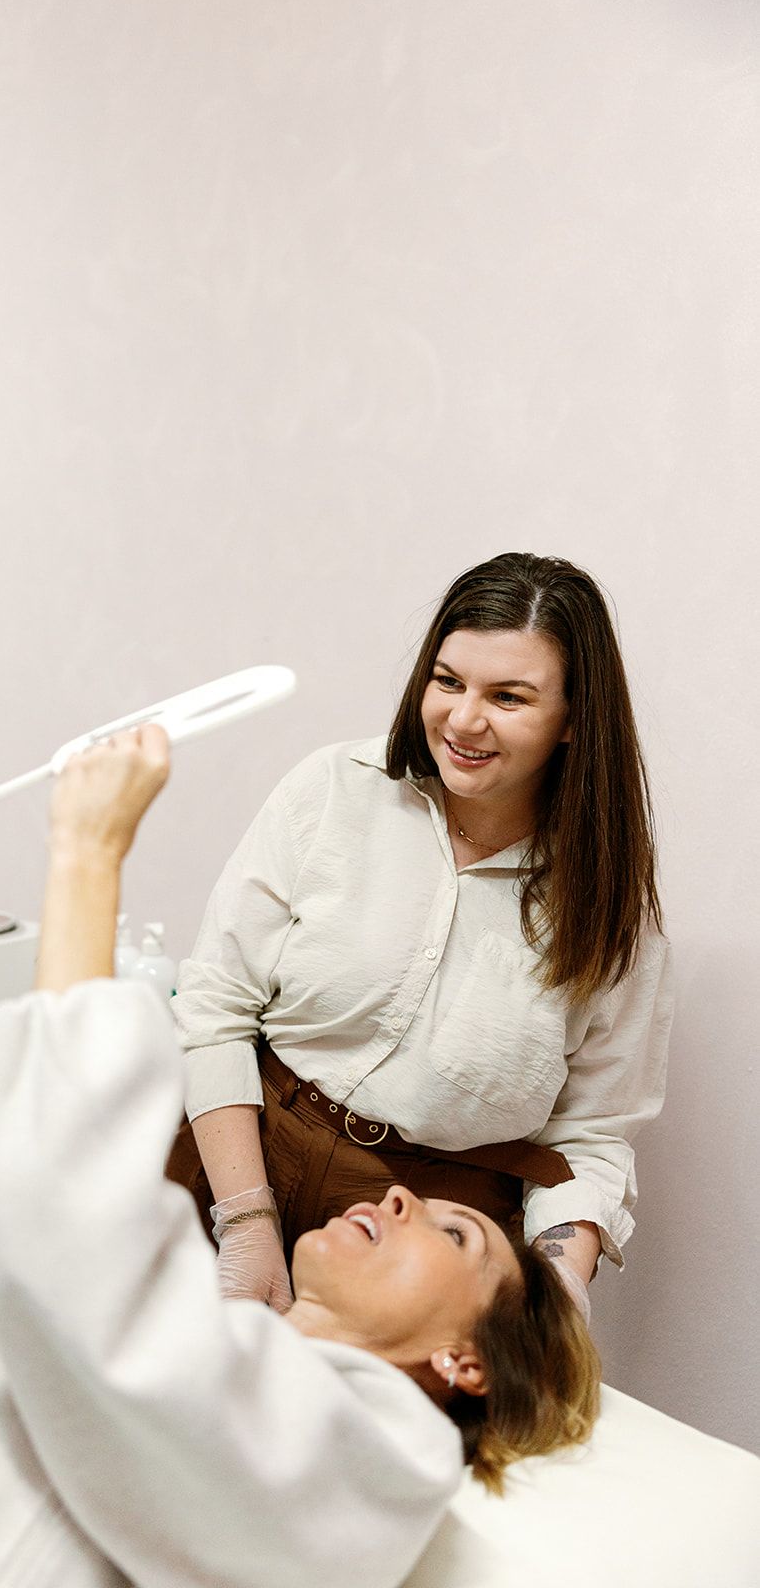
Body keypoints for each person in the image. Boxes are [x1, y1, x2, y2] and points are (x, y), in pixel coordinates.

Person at [0, 728, 598, 1588]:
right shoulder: (181, 1327)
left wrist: (88, 858)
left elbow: (67, 1252)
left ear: (467, 1363)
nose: (402, 1198)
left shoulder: (371, 1462)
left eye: (455, 1232)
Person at [169, 552, 673, 1318]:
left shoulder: (610, 906)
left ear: (574, 720)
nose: (463, 720)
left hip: (421, 1242)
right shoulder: (334, 789)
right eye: (447, 681)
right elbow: (214, 1008)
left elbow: (591, 1137)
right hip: (242, 1160)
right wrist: (243, 1221)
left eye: (508, 697)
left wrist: (556, 1301)